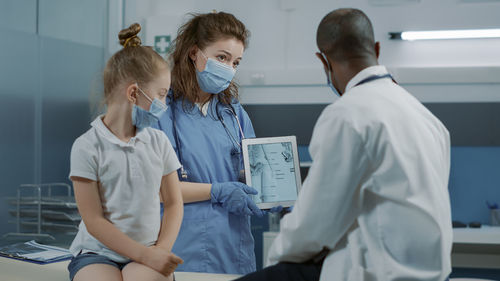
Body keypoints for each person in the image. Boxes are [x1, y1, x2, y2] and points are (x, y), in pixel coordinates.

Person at [236, 8, 452, 281]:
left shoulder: (348, 113)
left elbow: (313, 226)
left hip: (380, 274)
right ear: (376, 48)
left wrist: (274, 259)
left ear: (323, 60)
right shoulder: (428, 119)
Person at [67, 23, 184, 281]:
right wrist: (145, 255)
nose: (164, 104)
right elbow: (94, 221)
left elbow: (174, 203)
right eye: (161, 95)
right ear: (133, 93)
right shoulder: (87, 147)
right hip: (96, 253)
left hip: (150, 249)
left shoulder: (159, 141)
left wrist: (159, 251)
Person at [154, 11, 267, 275]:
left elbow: (251, 171)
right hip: (183, 246)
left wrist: (272, 193)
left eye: (236, 62)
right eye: (222, 58)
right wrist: (217, 191)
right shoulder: (162, 110)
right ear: (194, 53)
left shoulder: (233, 113)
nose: (229, 68)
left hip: (233, 246)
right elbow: (157, 189)